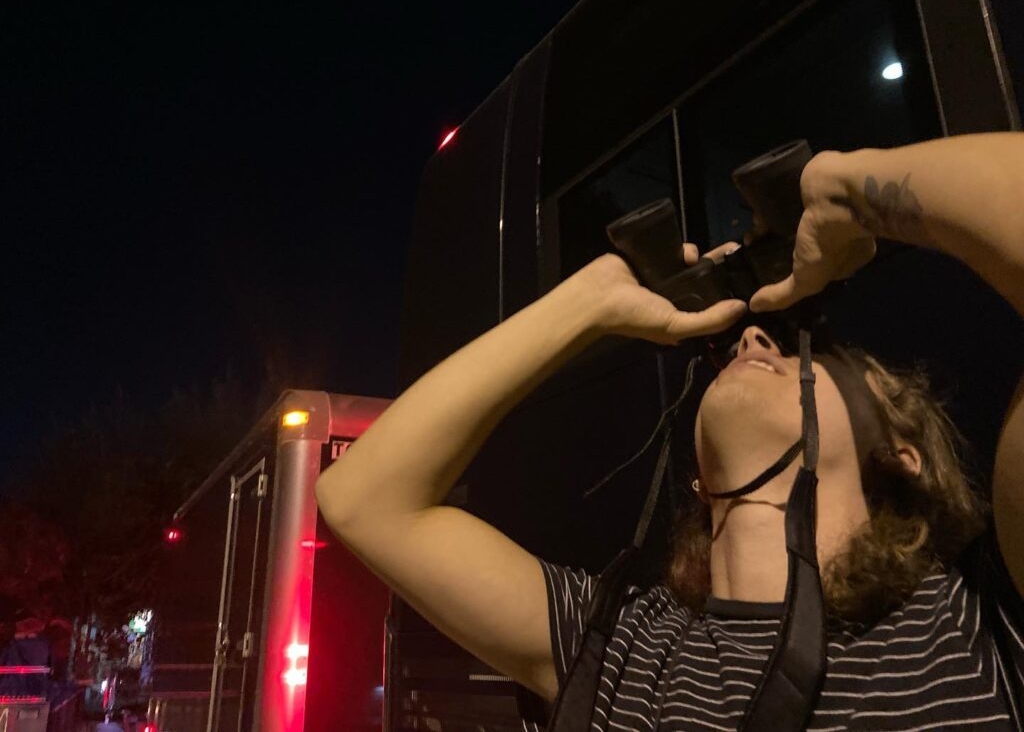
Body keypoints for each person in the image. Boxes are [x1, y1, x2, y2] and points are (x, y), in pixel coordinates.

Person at [315, 133, 1024, 729]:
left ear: (902, 455)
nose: (754, 340)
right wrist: (589, 303)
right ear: (698, 475)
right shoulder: (620, 642)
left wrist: (848, 187)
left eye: (809, 349)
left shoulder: (977, 627)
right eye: (747, 343)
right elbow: (364, 496)